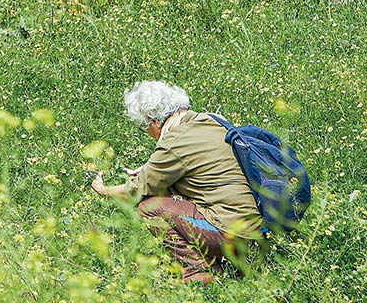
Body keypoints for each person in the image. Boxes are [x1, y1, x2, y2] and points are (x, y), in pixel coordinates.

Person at [90, 81, 263, 284]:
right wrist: (150, 169)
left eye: (144, 126)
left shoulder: (174, 142)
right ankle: (242, 263)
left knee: (149, 207)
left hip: (228, 232)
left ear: (152, 120)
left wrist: (103, 190)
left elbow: (136, 190)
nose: (148, 132)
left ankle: (199, 272)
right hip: (256, 228)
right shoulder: (209, 121)